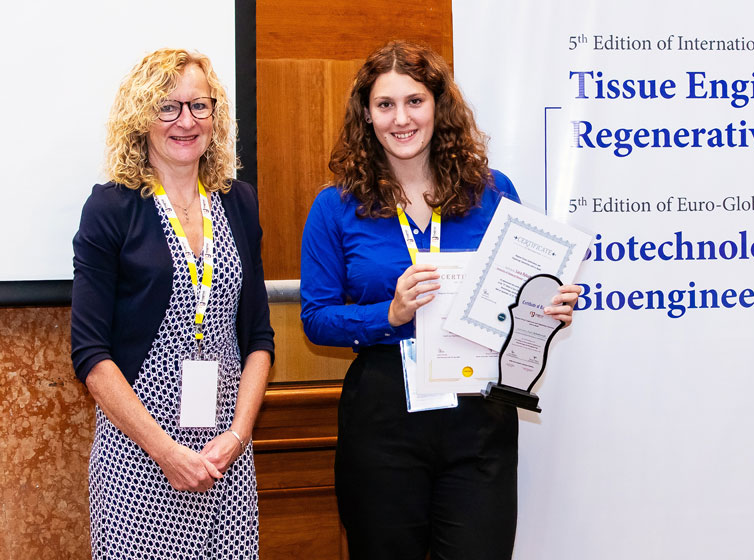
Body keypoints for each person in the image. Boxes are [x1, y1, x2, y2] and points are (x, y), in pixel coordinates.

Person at [300, 40, 582, 560]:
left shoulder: (492, 192)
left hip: (479, 414)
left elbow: (521, 291)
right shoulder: (335, 206)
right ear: (367, 114)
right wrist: (388, 314)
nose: (401, 118)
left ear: (438, 105)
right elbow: (316, 319)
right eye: (385, 104)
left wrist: (544, 310)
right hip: (384, 418)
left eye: (415, 101)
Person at [71, 49, 274, 559]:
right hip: (140, 461)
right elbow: (90, 355)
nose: (186, 121)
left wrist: (238, 436)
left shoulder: (239, 202)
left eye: (199, 106)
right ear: (141, 117)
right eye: (168, 107)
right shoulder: (112, 207)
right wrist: (166, 452)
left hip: (224, 460)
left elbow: (259, 338)